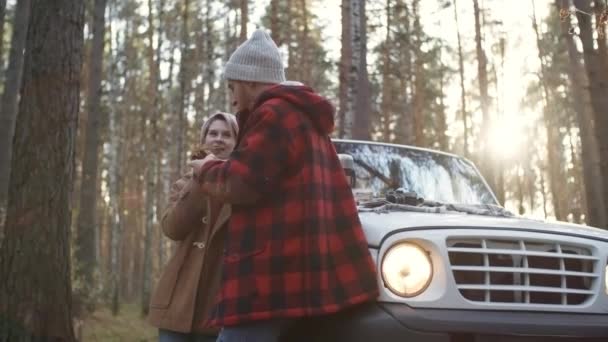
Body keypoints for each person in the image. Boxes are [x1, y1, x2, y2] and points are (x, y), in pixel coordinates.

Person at [189, 29, 379, 342]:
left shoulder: (274, 113)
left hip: (270, 279)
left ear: (250, 81)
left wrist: (206, 168)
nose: (232, 96)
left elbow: (242, 181)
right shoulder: (303, 117)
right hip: (300, 276)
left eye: (233, 85)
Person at [148, 112, 239, 342]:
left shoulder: (242, 190)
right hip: (177, 303)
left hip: (219, 307)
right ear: (204, 139)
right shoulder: (184, 183)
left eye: (227, 135)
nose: (219, 139)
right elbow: (172, 229)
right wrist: (200, 180)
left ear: (237, 143)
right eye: (213, 133)